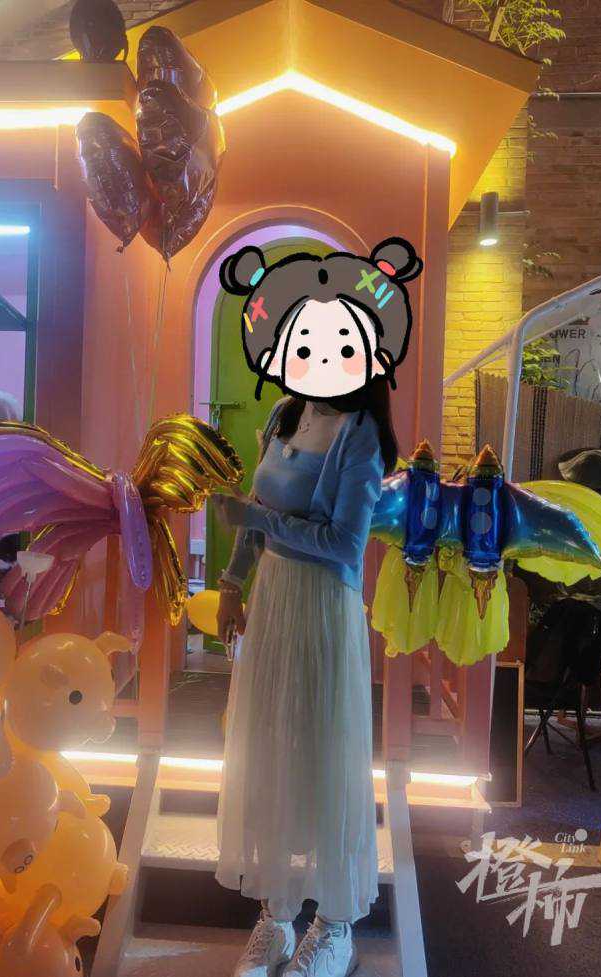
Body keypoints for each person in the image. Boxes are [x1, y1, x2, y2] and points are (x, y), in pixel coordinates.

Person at [211, 238, 420, 977]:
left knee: (325, 756)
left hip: (323, 607)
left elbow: (341, 545)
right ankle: (276, 915)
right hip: (272, 604)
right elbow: (256, 506)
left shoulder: (362, 437)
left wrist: (255, 521)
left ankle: (335, 926)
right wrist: (232, 584)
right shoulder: (283, 413)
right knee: (272, 749)